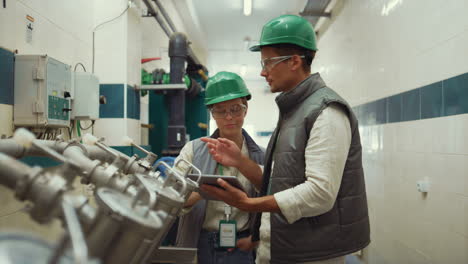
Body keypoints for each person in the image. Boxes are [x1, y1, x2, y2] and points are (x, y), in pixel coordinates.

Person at [200, 15, 370, 264]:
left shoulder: (326, 111)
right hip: (287, 247)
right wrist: (240, 162)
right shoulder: (295, 110)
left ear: (293, 61)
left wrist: (249, 204)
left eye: (268, 62)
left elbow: (320, 193)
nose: (262, 71)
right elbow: (280, 183)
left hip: (312, 252)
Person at [174, 71, 265, 264]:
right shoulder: (193, 150)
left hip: (244, 244)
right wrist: (201, 192)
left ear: (246, 110)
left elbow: (272, 200)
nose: (229, 117)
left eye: (235, 109)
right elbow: (172, 198)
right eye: (220, 110)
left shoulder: (261, 156)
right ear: (212, 114)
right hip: (201, 243)